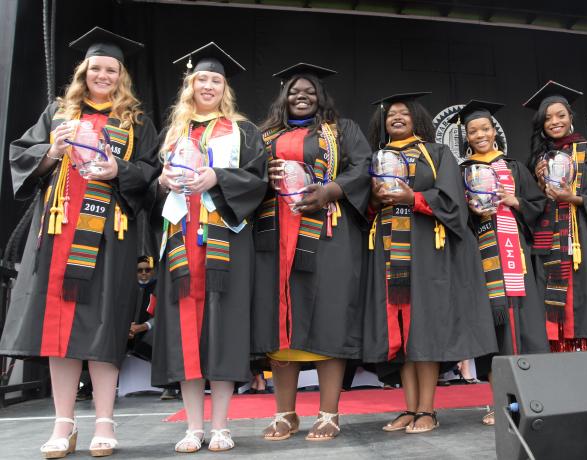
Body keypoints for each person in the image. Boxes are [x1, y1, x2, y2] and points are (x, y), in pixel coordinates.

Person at [0, 27, 157, 458]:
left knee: (104, 325)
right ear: (84, 72)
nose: (102, 76)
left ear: (121, 76)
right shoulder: (57, 113)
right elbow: (22, 156)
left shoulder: (135, 122)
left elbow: (151, 175)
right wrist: (52, 149)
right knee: (59, 329)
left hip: (110, 235)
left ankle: (105, 421)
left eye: (111, 69)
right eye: (96, 68)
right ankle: (63, 424)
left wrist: (116, 171)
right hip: (57, 231)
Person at [151, 42, 267, 452]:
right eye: (202, 78)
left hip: (226, 244)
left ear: (225, 88)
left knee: (224, 331)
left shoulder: (244, 132)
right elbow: (151, 186)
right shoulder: (173, 133)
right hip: (182, 241)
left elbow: (258, 182)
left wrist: (216, 177)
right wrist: (163, 182)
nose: (209, 85)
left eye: (216, 80)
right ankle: (192, 427)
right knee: (186, 332)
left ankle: (221, 425)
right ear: (190, 84)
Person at [362, 93, 498, 433]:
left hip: (427, 251)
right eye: (391, 113)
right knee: (402, 327)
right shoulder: (377, 157)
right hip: (389, 248)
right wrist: (374, 199)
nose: (397, 117)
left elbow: (454, 203)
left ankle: (428, 409)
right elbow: (362, 207)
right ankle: (409, 408)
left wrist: (414, 197)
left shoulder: (436, 153)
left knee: (424, 326)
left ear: (416, 119)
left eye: (404, 113)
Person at [253, 63, 371, 441]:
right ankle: (285, 413)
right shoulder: (264, 134)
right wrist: (262, 178)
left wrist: (331, 190)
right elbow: (245, 175)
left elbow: (364, 167)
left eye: (309, 91)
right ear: (283, 97)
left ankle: (328, 413)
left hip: (327, 234)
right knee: (279, 322)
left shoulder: (342, 130)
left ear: (321, 97)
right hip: (275, 236)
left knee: (328, 318)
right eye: (293, 91)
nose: (301, 96)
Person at [454, 100, 549, 426]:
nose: (480, 135)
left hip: (515, 257)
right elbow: (455, 216)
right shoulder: (462, 171)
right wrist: (472, 213)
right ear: (466, 136)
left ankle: (530, 399)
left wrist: (514, 201)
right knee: (491, 328)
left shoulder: (514, 167)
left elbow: (538, 206)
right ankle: (501, 402)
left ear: (495, 131)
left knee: (523, 326)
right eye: (473, 130)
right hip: (480, 257)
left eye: (485, 128)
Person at [522, 81, 587, 352]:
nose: (554, 122)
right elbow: (532, 204)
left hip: (583, 238)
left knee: (586, 296)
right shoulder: (537, 160)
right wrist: (539, 182)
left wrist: (575, 199)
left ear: (570, 117)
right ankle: (559, 356)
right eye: (547, 118)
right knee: (551, 301)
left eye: (560, 115)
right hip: (549, 239)